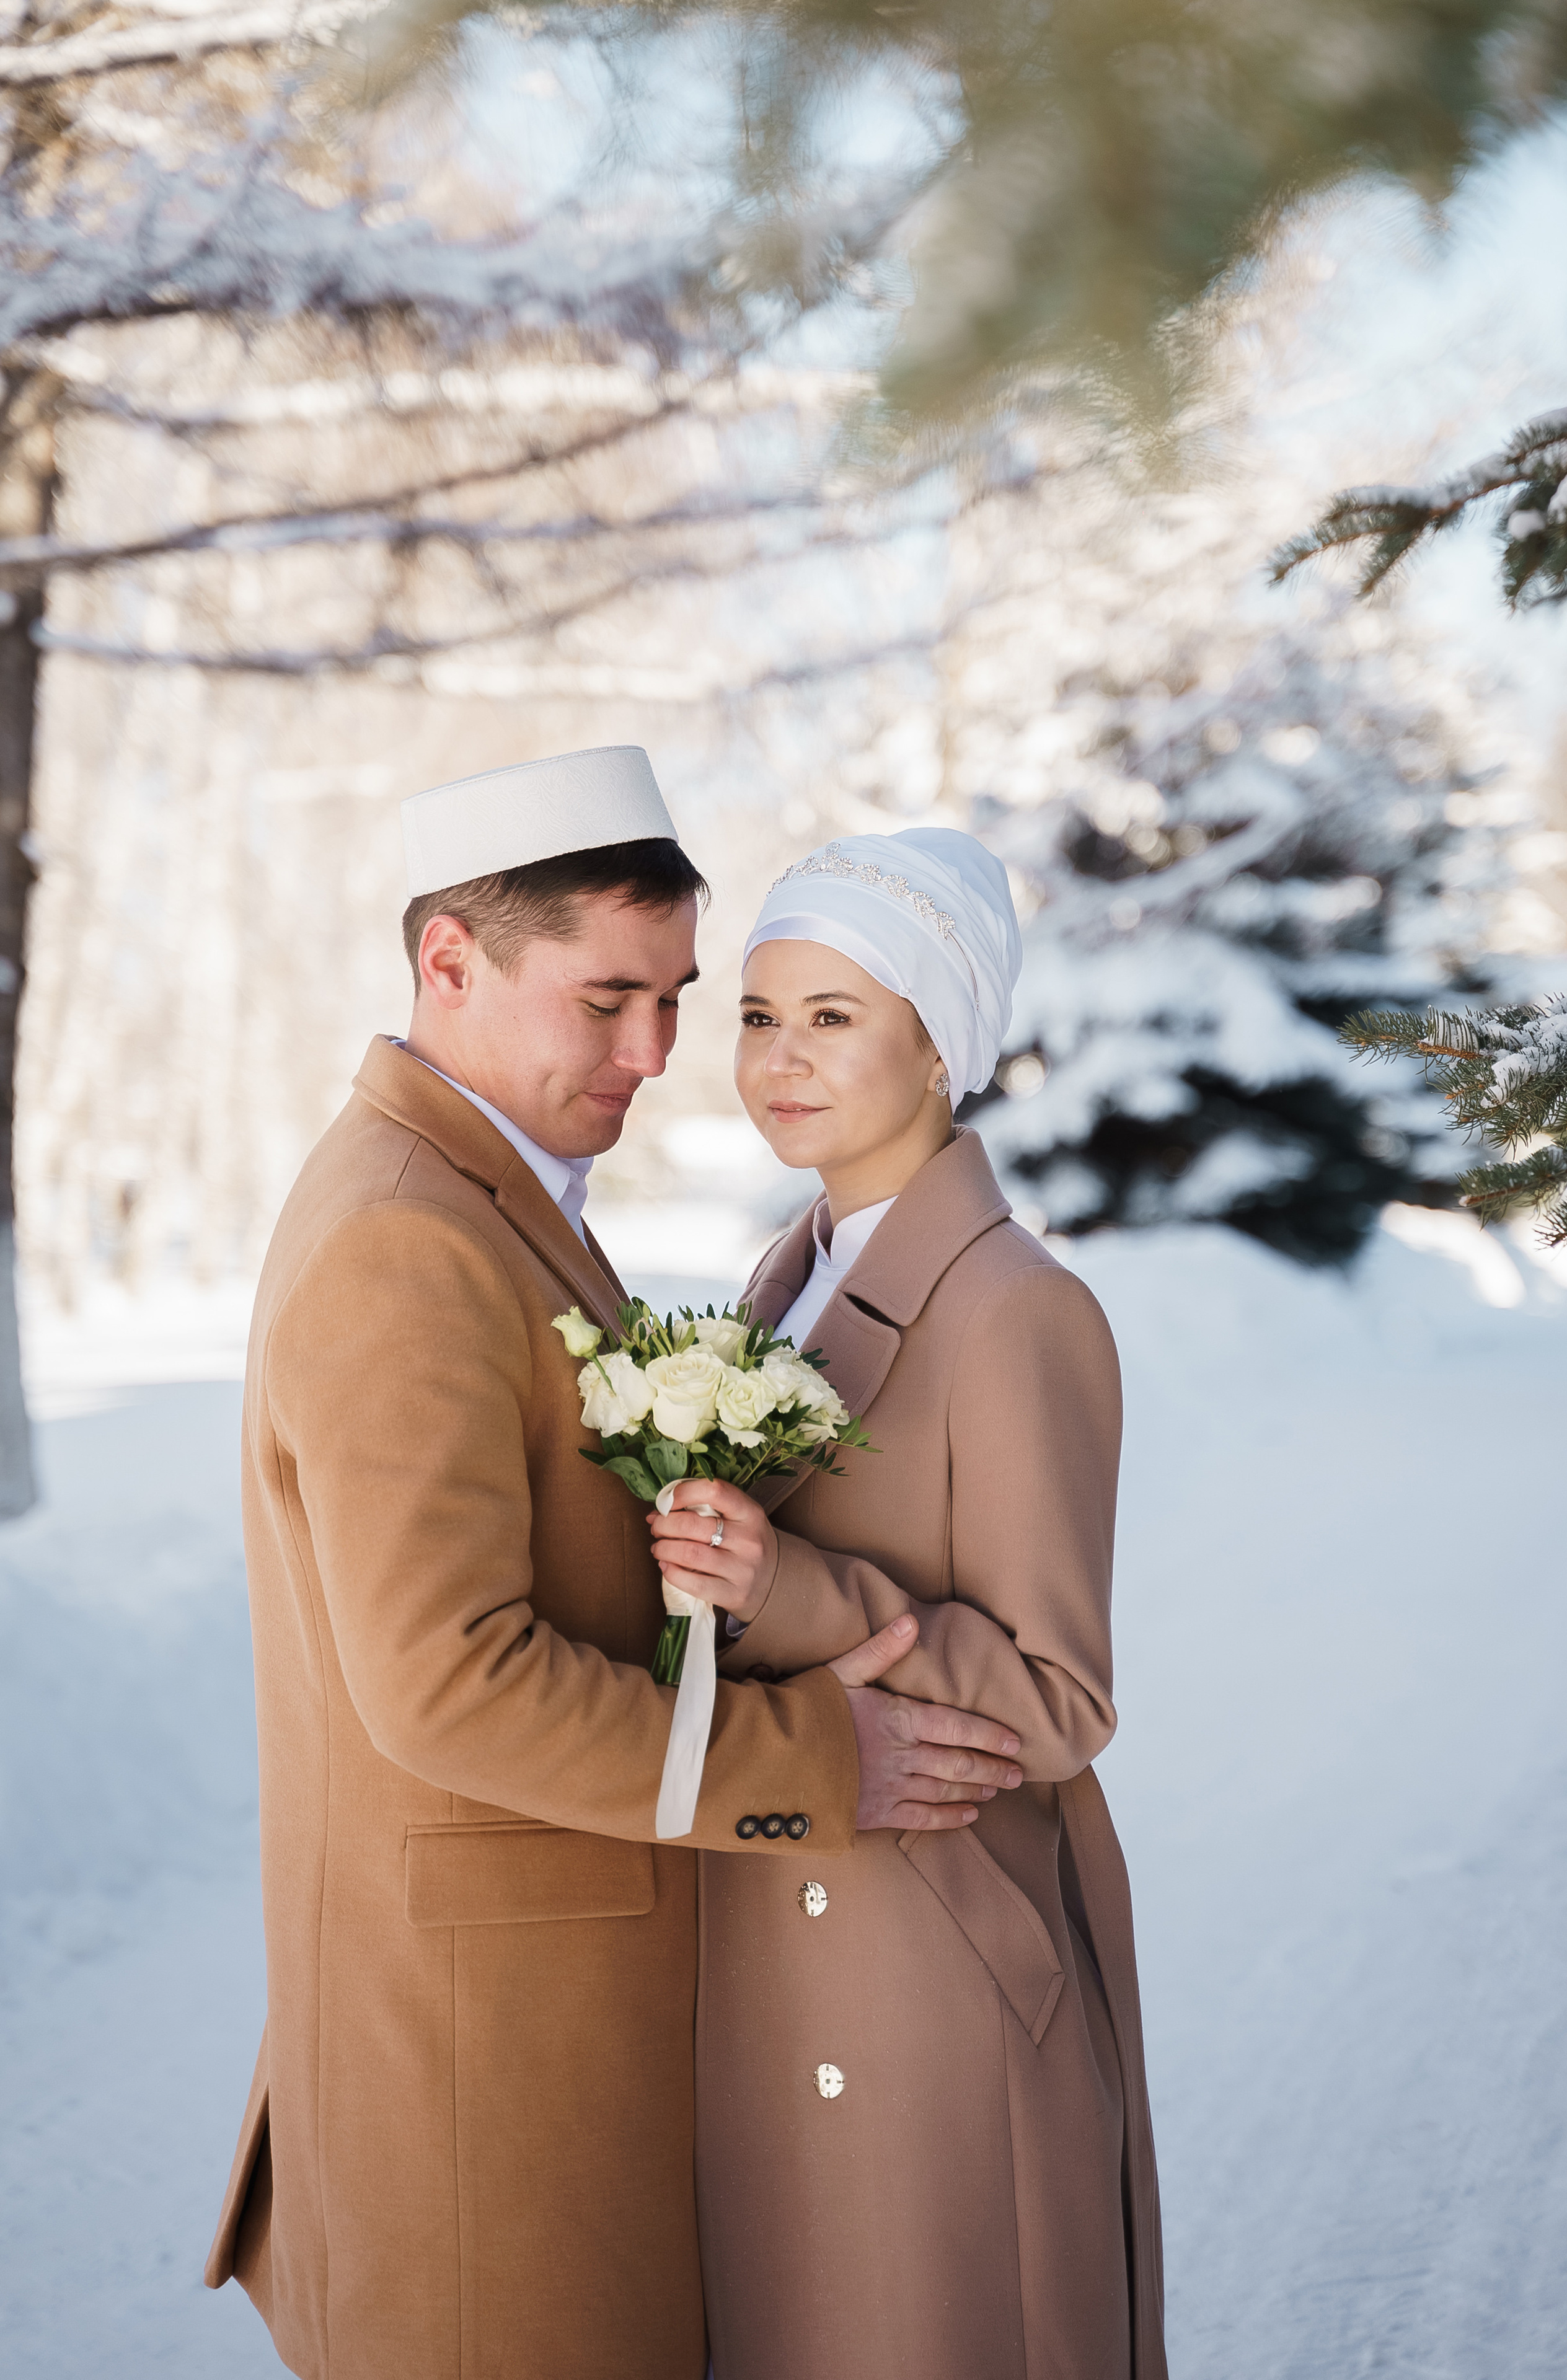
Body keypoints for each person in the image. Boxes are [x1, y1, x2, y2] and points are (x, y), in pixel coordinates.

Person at [203, 755, 1026, 2380]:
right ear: (450, 961)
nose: (655, 1055)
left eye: (675, 1000)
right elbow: (446, 1682)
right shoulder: (405, 1241)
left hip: (532, 2036)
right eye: (607, 1000)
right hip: (481, 2078)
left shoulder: (489, 1198)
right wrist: (814, 1761)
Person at [648, 827, 1169, 2380]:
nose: (777, 1060)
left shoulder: (1019, 1313)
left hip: (933, 1957)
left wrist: (794, 1591)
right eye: (755, 1015)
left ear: (942, 1044)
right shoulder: (773, 1279)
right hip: (776, 1910)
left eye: (832, 1017)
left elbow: (1060, 1704)